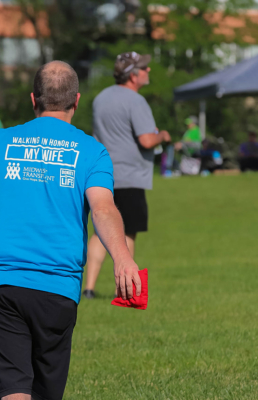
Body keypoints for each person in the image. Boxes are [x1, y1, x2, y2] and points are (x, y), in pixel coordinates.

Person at [0, 61, 141, 400]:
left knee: (12, 388)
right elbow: (103, 208)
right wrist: (123, 256)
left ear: (33, 99)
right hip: (58, 287)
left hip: (1, 282)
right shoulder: (92, 151)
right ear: (77, 100)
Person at [83, 51, 171, 299]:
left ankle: (88, 287)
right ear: (133, 75)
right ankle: (125, 292)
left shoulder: (100, 98)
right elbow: (146, 139)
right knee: (127, 231)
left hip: (102, 175)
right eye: (144, 68)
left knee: (101, 232)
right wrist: (162, 135)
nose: (148, 71)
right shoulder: (136, 101)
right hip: (130, 176)